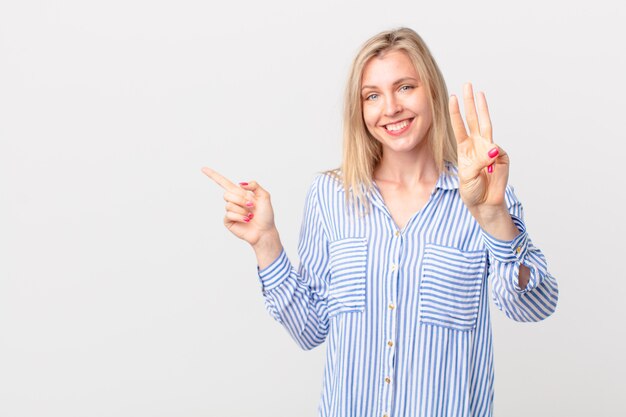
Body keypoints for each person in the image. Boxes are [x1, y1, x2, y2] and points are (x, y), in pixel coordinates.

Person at [203, 27, 558, 417]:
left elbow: (533, 307)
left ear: (432, 92)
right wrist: (266, 242)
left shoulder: (485, 192)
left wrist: (493, 217)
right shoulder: (329, 197)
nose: (390, 108)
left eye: (405, 87)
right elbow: (310, 330)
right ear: (360, 110)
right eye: (372, 95)